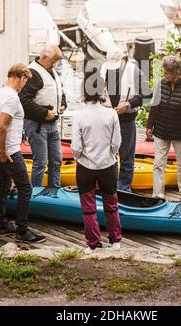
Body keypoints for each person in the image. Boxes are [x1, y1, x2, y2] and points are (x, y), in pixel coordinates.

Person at [0, 63, 46, 243]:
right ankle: (22, 231)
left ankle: (2, 226)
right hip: (10, 151)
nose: (24, 85)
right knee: (26, 188)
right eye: (24, 81)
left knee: (3, 186)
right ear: (21, 78)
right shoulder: (11, 98)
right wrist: (2, 152)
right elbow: (1, 125)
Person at [72, 75, 122, 253]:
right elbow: (116, 143)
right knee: (111, 204)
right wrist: (108, 155)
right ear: (102, 90)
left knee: (88, 208)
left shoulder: (79, 115)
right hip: (108, 165)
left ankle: (92, 244)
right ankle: (115, 240)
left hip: (85, 166)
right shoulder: (112, 113)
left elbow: (76, 147)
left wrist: (81, 157)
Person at [146, 55, 181, 202]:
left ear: (177, 73)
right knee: (158, 164)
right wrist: (150, 125)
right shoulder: (161, 84)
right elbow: (154, 105)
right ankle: (158, 195)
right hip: (161, 131)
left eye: (167, 72)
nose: (164, 74)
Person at [100, 46, 151, 192]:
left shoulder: (133, 71)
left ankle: (124, 188)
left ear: (123, 59)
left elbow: (147, 94)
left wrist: (128, 104)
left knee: (126, 157)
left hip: (126, 120)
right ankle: (110, 187)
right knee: (106, 156)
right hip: (106, 120)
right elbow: (93, 94)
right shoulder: (102, 70)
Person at [19, 45, 67, 188]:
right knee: (40, 162)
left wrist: (63, 103)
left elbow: (60, 91)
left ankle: (55, 191)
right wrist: (45, 113)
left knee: (57, 160)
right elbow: (23, 100)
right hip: (37, 125)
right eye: (53, 61)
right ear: (44, 57)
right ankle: (36, 194)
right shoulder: (33, 73)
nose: (55, 65)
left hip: (53, 124)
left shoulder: (51, 71)